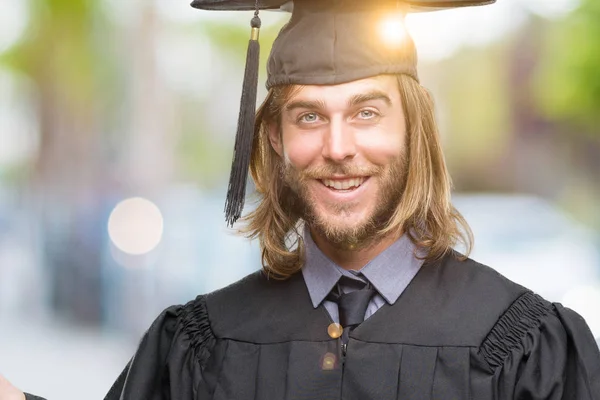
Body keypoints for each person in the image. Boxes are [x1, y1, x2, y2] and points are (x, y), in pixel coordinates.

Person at [5, 0, 600, 398]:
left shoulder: (526, 346)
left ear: (415, 131)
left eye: (367, 112)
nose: (338, 147)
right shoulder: (202, 343)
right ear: (274, 139)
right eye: (309, 116)